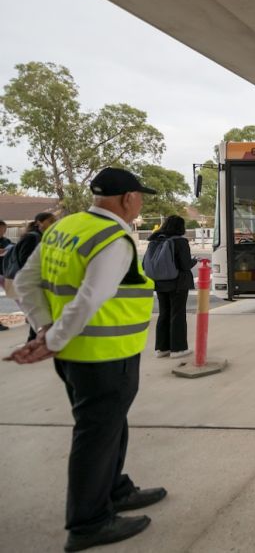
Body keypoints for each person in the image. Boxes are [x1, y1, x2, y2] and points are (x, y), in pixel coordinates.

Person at [6, 167, 167, 551]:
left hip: (80, 357)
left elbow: (26, 283)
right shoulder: (113, 238)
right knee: (96, 434)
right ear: (127, 198)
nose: (140, 203)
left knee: (109, 424)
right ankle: (89, 522)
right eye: (140, 196)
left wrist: (45, 329)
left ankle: (116, 489)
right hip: (104, 355)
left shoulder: (64, 228)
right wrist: (54, 339)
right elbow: (91, 298)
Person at [147, 215, 195, 358]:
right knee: (178, 314)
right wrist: (194, 261)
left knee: (164, 313)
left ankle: (162, 348)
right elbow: (185, 265)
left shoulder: (154, 241)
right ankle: (178, 349)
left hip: (160, 282)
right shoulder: (180, 242)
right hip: (178, 283)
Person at [6, 212, 57, 341]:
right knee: (40, 311)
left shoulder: (44, 237)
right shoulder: (33, 237)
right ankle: (34, 341)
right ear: (39, 223)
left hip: (34, 281)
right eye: (50, 221)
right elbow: (26, 261)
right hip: (30, 282)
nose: (54, 223)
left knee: (41, 312)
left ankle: (36, 340)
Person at [0, 220, 11, 331]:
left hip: (4, 272)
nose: (3, 231)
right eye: (2, 229)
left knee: (17, 294)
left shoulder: (6, 240)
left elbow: (12, 248)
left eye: (4, 230)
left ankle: (30, 316)